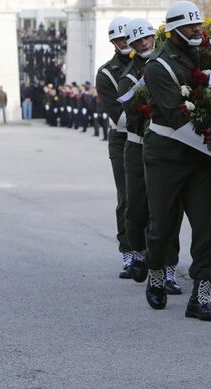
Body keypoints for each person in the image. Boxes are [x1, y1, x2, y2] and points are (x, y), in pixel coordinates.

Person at [142, 1, 211, 321]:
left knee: (205, 227)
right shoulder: (158, 65)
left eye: (199, 25)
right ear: (174, 30)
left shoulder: (208, 55)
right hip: (166, 155)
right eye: (190, 26)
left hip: (199, 157)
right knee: (162, 226)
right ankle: (157, 273)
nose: (197, 31)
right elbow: (177, 117)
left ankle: (201, 294)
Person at [118, 18, 183, 293]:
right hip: (137, 146)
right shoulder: (128, 77)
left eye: (147, 38)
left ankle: (168, 268)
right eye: (138, 41)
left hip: (167, 146)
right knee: (135, 210)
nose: (145, 43)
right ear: (130, 45)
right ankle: (139, 250)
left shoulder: (168, 64)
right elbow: (129, 116)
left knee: (168, 212)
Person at [95, 16, 135, 277]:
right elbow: (119, 117)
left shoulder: (149, 63)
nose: (126, 43)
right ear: (113, 42)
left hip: (153, 136)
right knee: (127, 198)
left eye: (128, 38)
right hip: (124, 139)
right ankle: (129, 252)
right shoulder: (108, 72)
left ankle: (155, 252)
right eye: (120, 39)